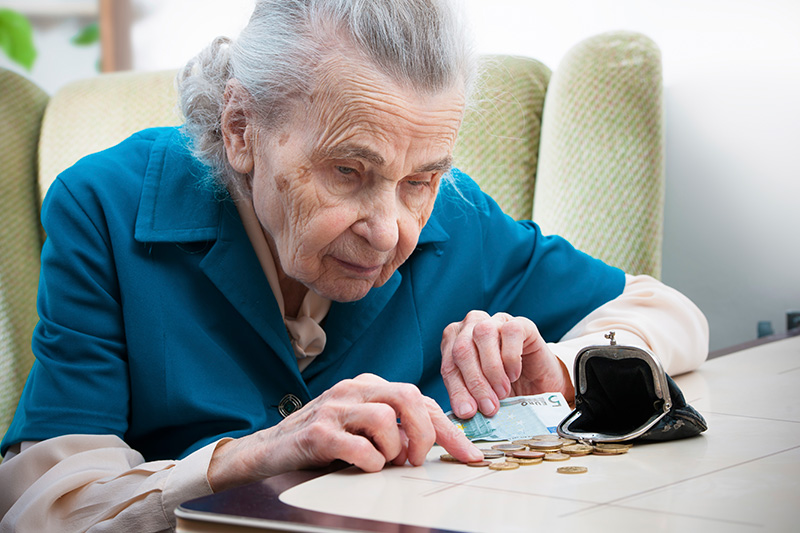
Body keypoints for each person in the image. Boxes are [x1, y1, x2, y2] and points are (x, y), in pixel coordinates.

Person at [0, 0, 708, 530]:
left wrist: (557, 363)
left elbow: (669, 312)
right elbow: (43, 503)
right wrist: (253, 454)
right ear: (241, 128)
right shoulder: (105, 203)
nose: (389, 229)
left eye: (420, 180)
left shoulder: (456, 215)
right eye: (347, 169)